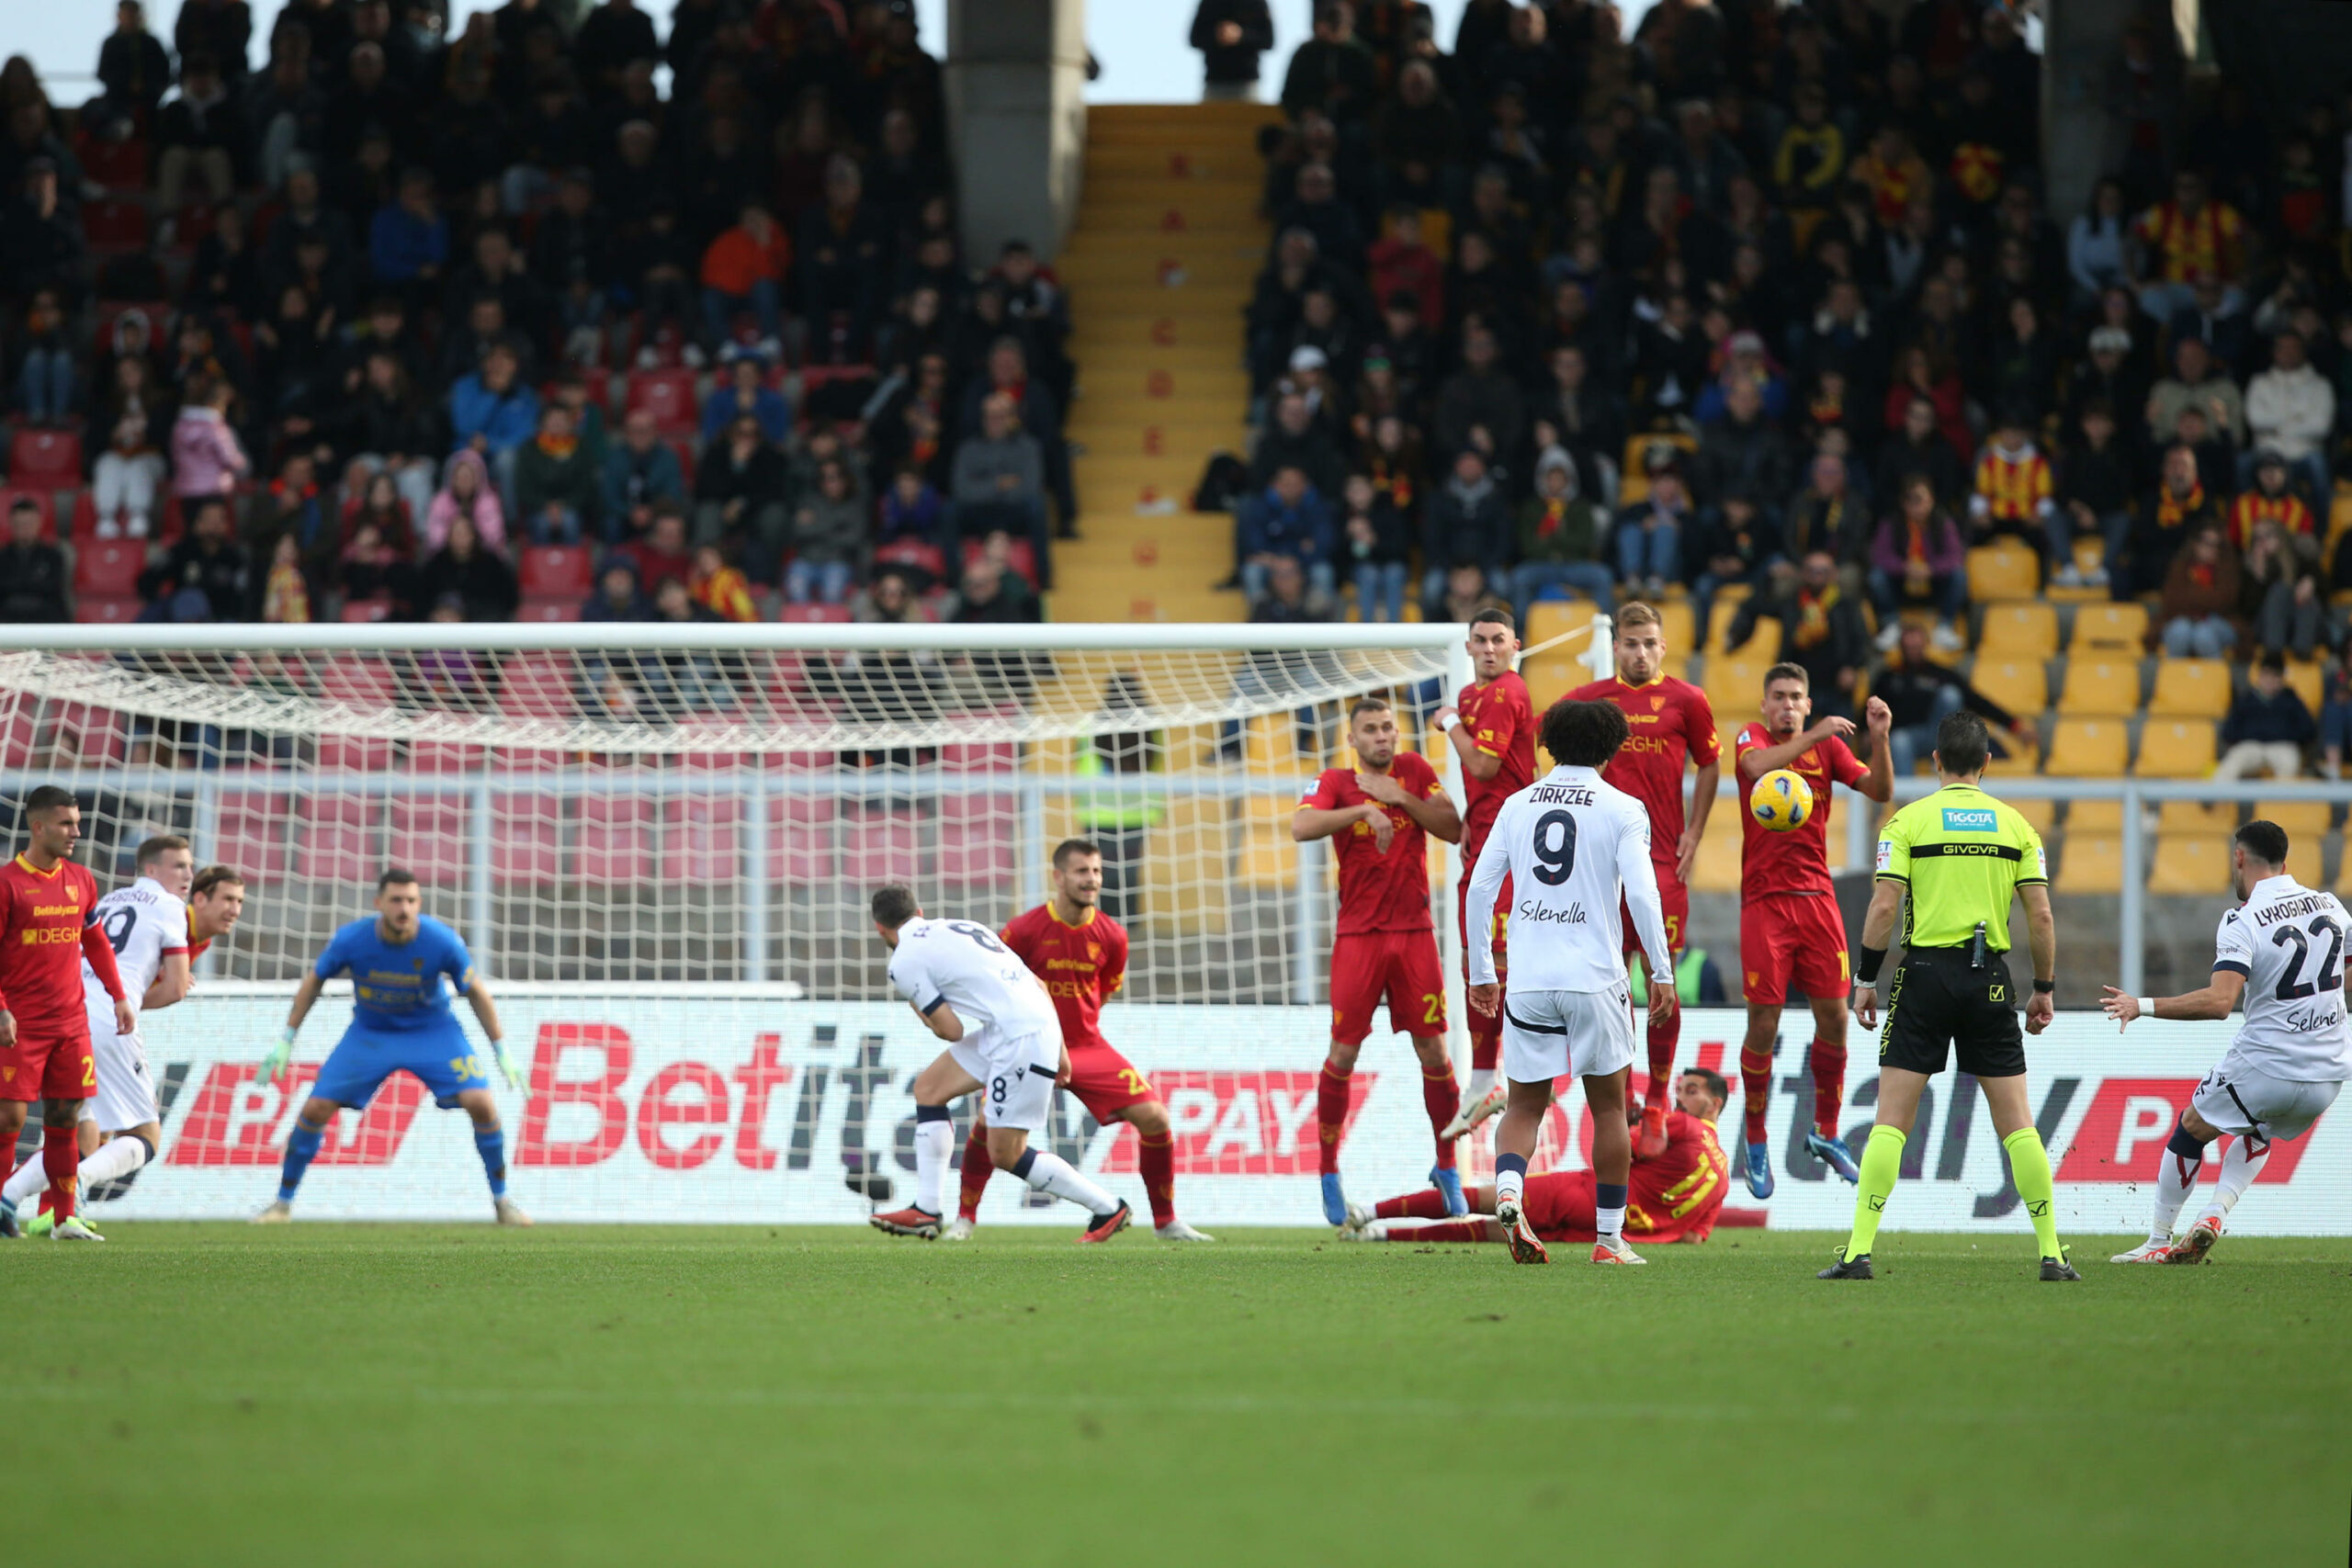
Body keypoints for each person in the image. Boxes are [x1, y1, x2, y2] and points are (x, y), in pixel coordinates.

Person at [1831, 711, 2068, 1280]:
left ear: (1934, 761)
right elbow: (2040, 915)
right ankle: (2052, 1253)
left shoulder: (1907, 822)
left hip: (1925, 976)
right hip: (1990, 978)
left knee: (1891, 1120)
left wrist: (1865, 980)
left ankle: (1858, 1252)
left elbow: (1884, 907)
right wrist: (2043, 989)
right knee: (2017, 1123)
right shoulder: (2017, 828)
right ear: (1987, 763)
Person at [1463, 697, 1677, 1265]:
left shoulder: (1516, 803)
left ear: (1549, 744)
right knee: (1609, 1109)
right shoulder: (1624, 807)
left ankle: (1510, 1191)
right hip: (1594, 978)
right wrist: (1660, 969)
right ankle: (1608, 1241)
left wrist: (1482, 971)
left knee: (1525, 1107)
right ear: (1613, 746)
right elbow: (1642, 893)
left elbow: (1479, 890)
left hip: (1530, 978)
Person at [2104, 820, 2348, 1264]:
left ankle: (2158, 1243)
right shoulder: (2330, 905)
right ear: (2286, 862)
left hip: (2269, 1065)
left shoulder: (2244, 918)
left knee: (2192, 1128)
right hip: (2329, 1073)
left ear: (2239, 857)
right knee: (2259, 1128)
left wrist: (2142, 1005)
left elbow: (2220, 1002)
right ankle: (2215, 1213)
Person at [952, 841, 1213, 1243]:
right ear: (1058, 877)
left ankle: (1166, 1223)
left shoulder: (1112, 935)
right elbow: (998, 988)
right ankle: (964, 1220)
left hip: (1086, 1046)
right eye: (1081, 872)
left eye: (1096, 871)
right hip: (1028, 1046)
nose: (1091, 880)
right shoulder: (1023, 930)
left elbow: (1103, 991)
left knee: (1156, 1119)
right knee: (989, 1125)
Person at [254, 869, 529, 1225]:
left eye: (412, 901)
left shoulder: (441, 941)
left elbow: (475, 991)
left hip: (433, 1032)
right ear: (379, 903)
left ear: (419, 903)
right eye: (397, 900)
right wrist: (286, 1038)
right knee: (317, 1106)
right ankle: (282, 1204)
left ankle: (502, 1201)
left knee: (482, 1102)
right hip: (372, 1033)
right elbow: (314, 981)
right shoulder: (351, 940)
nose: (404, 908)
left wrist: (501, 1049)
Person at [865, 885, 1135, 1243]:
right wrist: (1060, 1049)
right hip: (1023, 1027)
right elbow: (1037, 982)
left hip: (1018, 1039)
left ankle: (1107, 1206)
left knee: (1006, 1153)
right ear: (920, 912)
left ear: (879, 928)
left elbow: (952, 1030)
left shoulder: (904, 961)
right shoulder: (962, 926)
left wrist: (919, 1007)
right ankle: (926, 1210)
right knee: (929, 1089)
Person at [1, 851, 243, 1235]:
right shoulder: (172, 913)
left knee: (89, 1131)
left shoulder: (120, 901)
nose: (235, 910)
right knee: (144, 1133)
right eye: (228, 900)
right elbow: (171, 988)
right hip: (97, 1016)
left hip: (69, 1009)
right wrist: (127, 1001)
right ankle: (46, 1194)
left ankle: (45, 1210)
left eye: (240, 902)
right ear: (198, 898)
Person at [1291, 696, 1464, 1224]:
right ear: (1353, 739)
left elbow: (1454, 828)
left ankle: (1447, 1165)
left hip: (1414, 933)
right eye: (1370, 730)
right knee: (1342, 1055)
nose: (1383, 736)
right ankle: (1328, 1171)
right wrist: (1364, 809)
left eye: (1388, 727)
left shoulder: (1415, 771)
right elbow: (1301, 828)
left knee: (1434, 1050)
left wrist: (1401, 798)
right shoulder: (1335, 781)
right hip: (1359, 936)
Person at [1561, 603, 1723, 1155]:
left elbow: (1710, 764)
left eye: (1649, 643)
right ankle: (1622, 1092)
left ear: (1662, 646)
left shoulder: (1688, 700)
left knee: (1661, 976)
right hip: (1599, 871)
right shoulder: (1587, 702)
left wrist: (1695, 832)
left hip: (1658, 865)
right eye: (1630, 643)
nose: (1639, 652)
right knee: (1606, 983)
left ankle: (1657, 1096)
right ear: (1617, 647)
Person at [1732, 665, 1894, 1197]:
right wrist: (1816, 732)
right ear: (1765, 704)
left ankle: (1826, 1132)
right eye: (1777, 697)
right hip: (1765, 903)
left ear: (1807, 702)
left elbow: (1878, 790)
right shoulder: (1753, 740)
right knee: (1764, 1022)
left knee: (1835, 1018)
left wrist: (1880, 739)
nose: (1786, 705)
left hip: (1817, 900)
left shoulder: (1825, 751)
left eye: (1795, 698)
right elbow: (1755, 767)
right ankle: (1755, 1139)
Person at [1342, 1068, 1732, 1248]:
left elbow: (1632, 1148)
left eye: (1692, 1091)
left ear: (1715, 1104)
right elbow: (1695, 1239)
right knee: (1498, 1235)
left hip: (1583, 1193)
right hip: (1600, 1231)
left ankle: (1369, 1215)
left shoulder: (1683, 1126)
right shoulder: (1724, 1176)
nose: (1681, 1098)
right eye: (1680, 1090)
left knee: (1482, 1198)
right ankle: (1379, 1236)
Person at [0, 788, 134, 1242]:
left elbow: (94, 940)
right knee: (9, 1120)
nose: (76, 832)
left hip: (71, 1021)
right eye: (65, 824)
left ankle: (63, 1219)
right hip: (19, 1023)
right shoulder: (6, 884)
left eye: (76, 822)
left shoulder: (81, 879)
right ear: (38, 827)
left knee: (65, 1117)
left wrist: (118, 995)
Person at [1432, 609, 1534, 1140]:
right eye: (1481, 640)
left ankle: (1508, 1077)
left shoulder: (1503, 693)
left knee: (1496, 958)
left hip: (1512, 846)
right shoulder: (1475, 697)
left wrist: (1448, 722)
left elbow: (1486, 767)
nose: (1490, 648)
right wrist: (1474, 820)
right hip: (1488, 838)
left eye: (1499, 640)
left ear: (1515, 645)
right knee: (1481, 961)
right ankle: (1487, 1078)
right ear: (1468, 647)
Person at [1511, 446, 1613, 616]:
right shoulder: (1532, 508)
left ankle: (1603, 629)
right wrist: (1562, 540)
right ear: (1543, 480)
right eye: (1551, 479)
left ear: (1569, 481)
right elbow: (1527, 546)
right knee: (1519, 578)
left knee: (1603, 576)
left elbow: (1585, 544)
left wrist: (1554, 537)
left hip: (1573, 565)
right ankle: (1522, 631)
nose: (1555, 484)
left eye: (1560, 479)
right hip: (1541, 564)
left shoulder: (1580, 507)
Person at [2213, 654, 2314, 781]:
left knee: (2290, 764)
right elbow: (2228, 731)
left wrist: (2286, 735)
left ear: (2282, 678)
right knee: (2233, 761)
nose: (2270, 680)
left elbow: (2308, 729)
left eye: (2275, 676)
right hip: (2251, 745)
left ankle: (2277, 801)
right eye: (2266, 674)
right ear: (2259, 676)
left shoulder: (2291, 699)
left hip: (2282, 746)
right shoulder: (2247, 699)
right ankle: (2215, 798)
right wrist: (2248, 735)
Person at [0, 496, 68, 623]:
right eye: (20, 524)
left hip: (44, 620)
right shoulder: (2, 557)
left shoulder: (53, 556)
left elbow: (53, 590)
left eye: (28, 523)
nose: (25, 528)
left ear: (39, 523)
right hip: (7, 621)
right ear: (11, 523)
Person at [1191, 0, 1274, 101]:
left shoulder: (1256, 3)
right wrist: (1216, 35)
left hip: (1247, 83)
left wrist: (1241, 35)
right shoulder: (1209, 3)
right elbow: (1194, 39)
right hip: (1214, 83)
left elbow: (1268, 41)